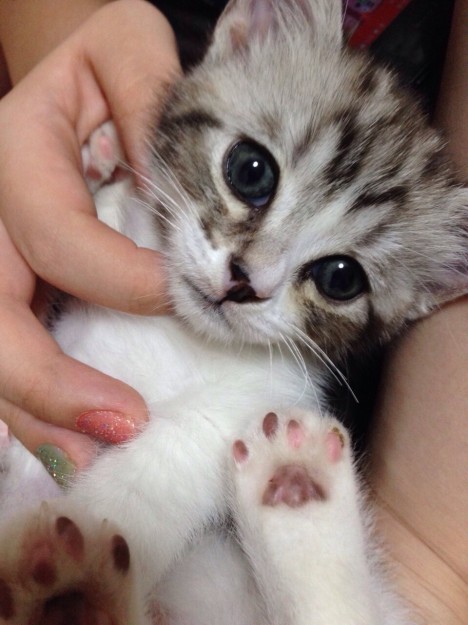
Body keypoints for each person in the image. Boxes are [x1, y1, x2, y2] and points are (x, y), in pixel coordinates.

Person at [0, 1, 466, 623]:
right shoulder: (126, 195)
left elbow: (437, 569)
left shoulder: (269, 389)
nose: (253, 275)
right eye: (252, 175)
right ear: (245, 36)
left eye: (337, 278)